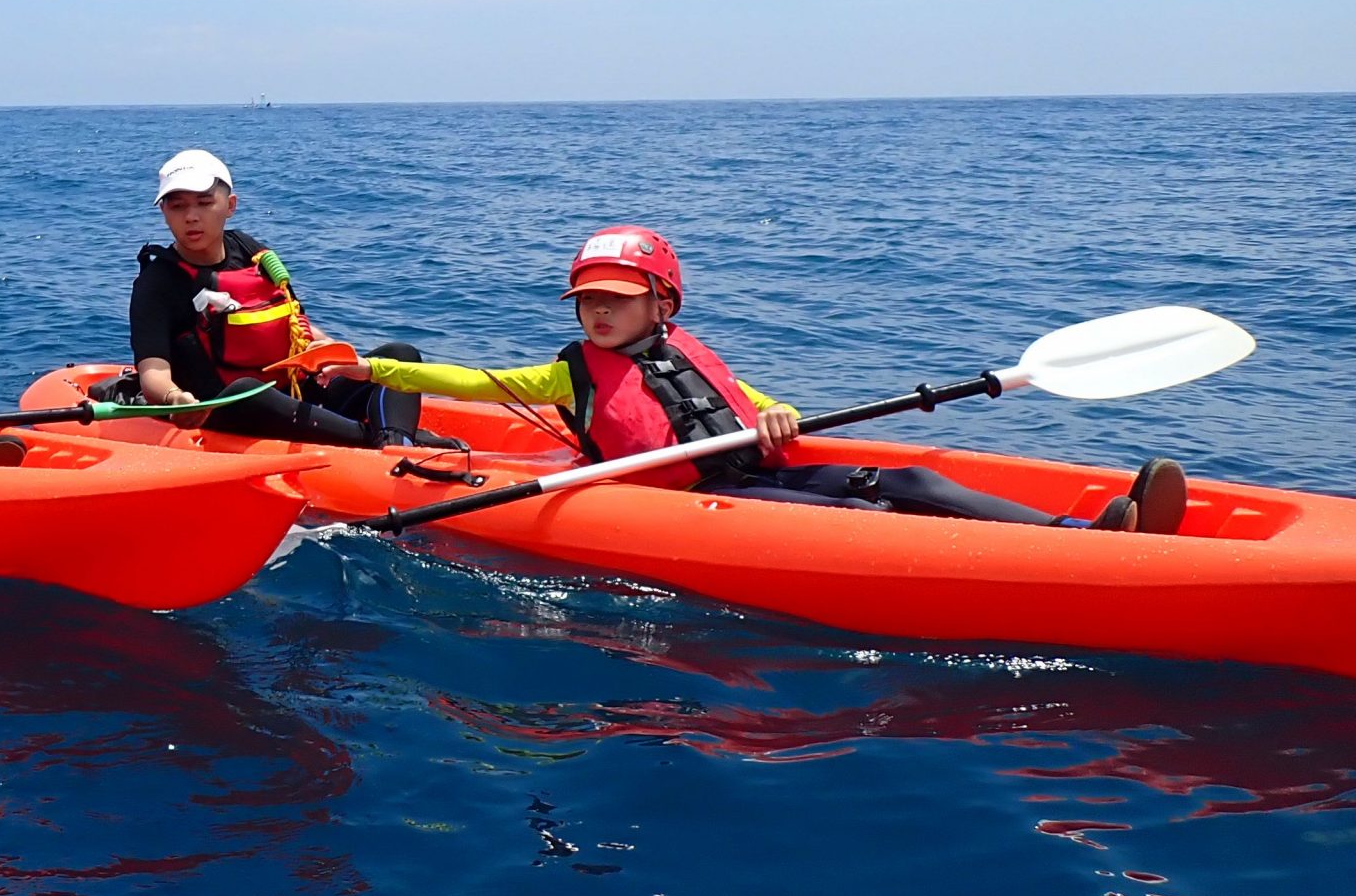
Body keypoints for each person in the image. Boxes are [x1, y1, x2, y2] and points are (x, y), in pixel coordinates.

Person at [325, 226, 1188, 532]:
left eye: (618, 300)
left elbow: (756, 404)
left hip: (756, 466)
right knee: (853, 514)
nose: (598, 313)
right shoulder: (567, 375)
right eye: (588, 300)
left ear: (662, 302)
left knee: (913, 479)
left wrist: (781, 415)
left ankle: (1081, 527)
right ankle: (1077, 549)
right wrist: (372, 365)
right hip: (696, 499)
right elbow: (467, 382)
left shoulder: (684, 347)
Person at [124, 148, 439, 450]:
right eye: (177, 206)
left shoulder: (250, 251)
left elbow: (295, 321)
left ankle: (398, 446)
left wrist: (327, 349)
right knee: (247, 391)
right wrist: (172, 398)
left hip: (297, 398)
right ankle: (375, 442)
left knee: (399, 354)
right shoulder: (157, 283)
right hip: (228, 410)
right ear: (164, 211)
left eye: (205, 203)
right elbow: (152, 371)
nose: (191, 216)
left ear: (230, 205)